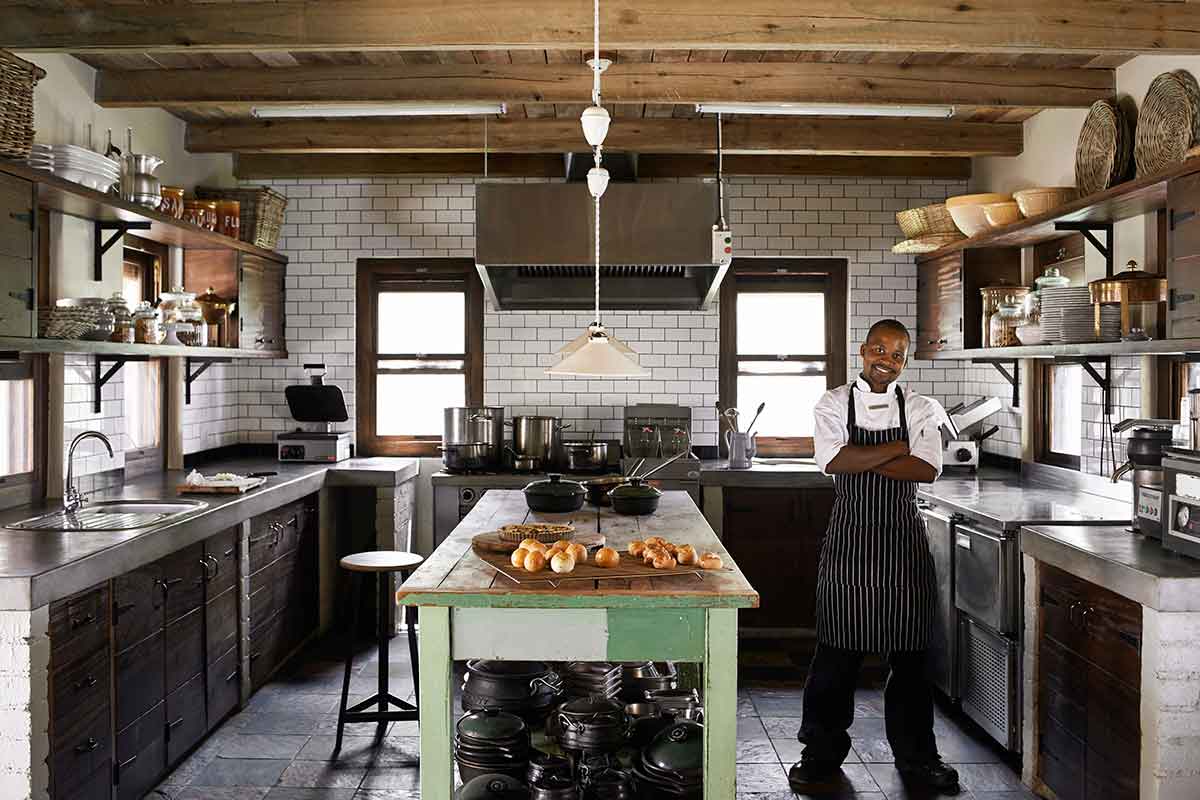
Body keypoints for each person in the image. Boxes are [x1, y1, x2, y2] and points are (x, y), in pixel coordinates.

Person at [789, 318, 959, 794]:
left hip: (903, 546)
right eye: (880, 350)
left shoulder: (921, 405)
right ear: (864, 351)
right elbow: (833, 461)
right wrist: (897, 448)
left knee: (911, 661)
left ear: (905, 361)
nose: (887, 360)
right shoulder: (832, 403)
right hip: (848, 545)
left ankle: (918, 759)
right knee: (835, 658)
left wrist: (863, 455)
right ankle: (820, 756)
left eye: (898, 354)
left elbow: (925, 469)